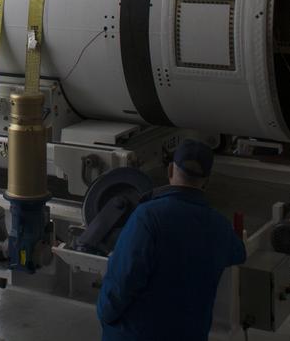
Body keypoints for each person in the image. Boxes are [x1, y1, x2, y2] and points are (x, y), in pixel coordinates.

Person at [97, 139, 247, 341]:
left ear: (169, 170)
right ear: (207, 180)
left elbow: (123, 280)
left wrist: (104, 314)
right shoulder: (219, 225)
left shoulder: (148, 216)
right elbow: (238, 253)